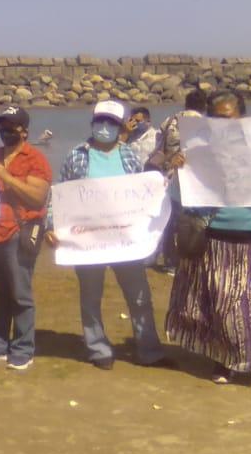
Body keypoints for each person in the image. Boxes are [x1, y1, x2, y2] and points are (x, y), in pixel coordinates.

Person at [163, 91, 251, 389]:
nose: (222, 123)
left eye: (228, 117)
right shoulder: (201, 155)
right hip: (218, 240)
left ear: (242, 118)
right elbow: (181, 199)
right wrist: (179, 170)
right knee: (222, 306)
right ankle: (225, 359)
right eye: (216, 118)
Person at [47, 101, 170, 370]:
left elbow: (142, 196)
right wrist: (50, 226)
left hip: (125, 242)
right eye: (101, 121)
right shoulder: (75, 155)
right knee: (90, 296)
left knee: (139, 296)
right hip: (87, 242)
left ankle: (149, 349)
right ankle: (98, 348)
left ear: (120, 126)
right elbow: (59, 194)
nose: (105, 127)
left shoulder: (129, 156)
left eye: (111, 123)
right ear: (92, 122)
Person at [0, 106, 50, 370]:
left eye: (11, 127)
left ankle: (23, 348)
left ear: (24, 131)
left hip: (18, 233)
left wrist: (7, 178)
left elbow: (38, 197)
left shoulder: (35, 159)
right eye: (2, 126)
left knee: (20, 294)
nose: (5, 131)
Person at [148, 89, 208, 274]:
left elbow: (157, 146)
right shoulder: (203, 124)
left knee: (168, 220)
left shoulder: (170, 120)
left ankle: (169, 260)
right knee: (192, 221)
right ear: (204, 106)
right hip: (192, 177)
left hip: (169, 173)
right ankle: (189, 259)